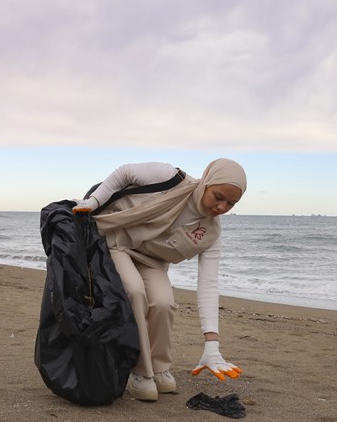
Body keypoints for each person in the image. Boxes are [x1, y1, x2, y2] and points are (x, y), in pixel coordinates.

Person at [73, 159, 247, 401]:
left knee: (164, 303)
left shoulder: (211, 234)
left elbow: (208, 285)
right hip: (117, 243)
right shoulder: (169, 178)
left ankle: (160, 367)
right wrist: (95, 201)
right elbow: (125, 173)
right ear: (206, 182)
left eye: (231, 203)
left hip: (152, 261)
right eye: (218, 196)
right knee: (134, 292)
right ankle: (141, 373)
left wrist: (212, 345)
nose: (221, 207)